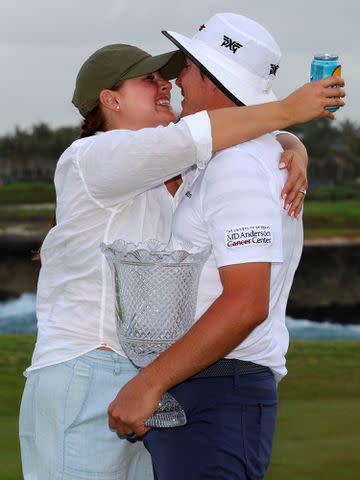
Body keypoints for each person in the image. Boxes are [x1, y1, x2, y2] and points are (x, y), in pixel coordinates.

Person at [19, 36, 344, 480]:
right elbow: (198, 135)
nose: (166, 86)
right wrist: (290, 114)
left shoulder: (170, 169)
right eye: (148, 80)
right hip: (87, 369)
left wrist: (291, 144)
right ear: (110, 99)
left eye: (165, 77)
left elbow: (214, 142)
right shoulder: (91, 156)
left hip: (146, 381)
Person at [107, 13, 346, 480]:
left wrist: (149, 383)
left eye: (189, 67)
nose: (177, 78)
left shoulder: (236, 167)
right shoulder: (236, 158)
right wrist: (294, 140)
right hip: (208, 386)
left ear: (214, 81)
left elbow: (246, 303)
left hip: (219, 390)